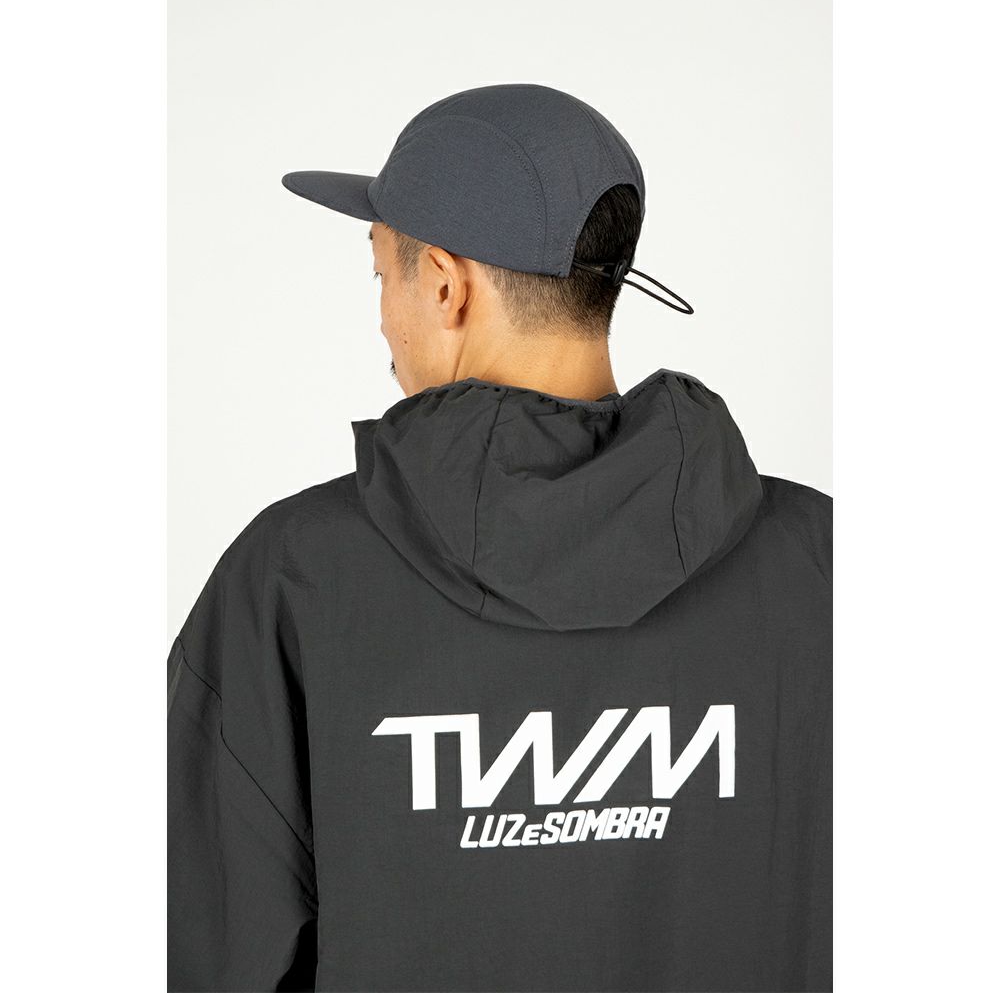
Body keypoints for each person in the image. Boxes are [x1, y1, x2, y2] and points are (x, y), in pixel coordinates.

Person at [167, 83, 832, 992]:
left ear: (445, 284)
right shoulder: (824, 569)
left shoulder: (292, 583)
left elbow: (203, 950)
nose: (382, 315)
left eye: (380, 275)